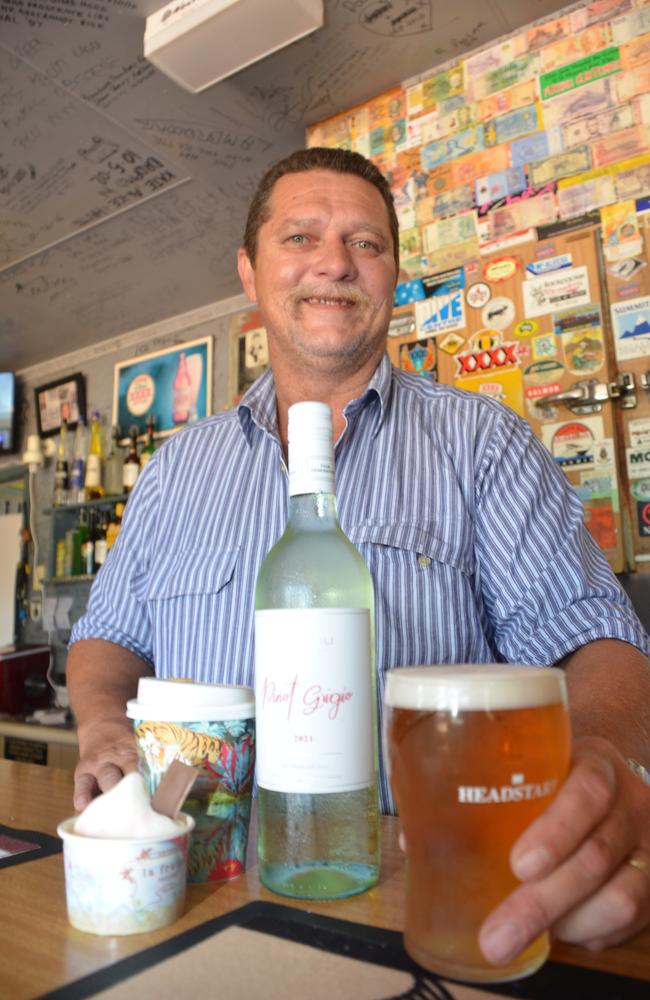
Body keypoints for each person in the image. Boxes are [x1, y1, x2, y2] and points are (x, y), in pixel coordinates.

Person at [67, 146, 650, 967]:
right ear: (248, 271)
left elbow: (599, 640)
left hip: (417, 895)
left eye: (366, 244)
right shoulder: (172, 470)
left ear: (394, 276)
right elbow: (108, 634)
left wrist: (597, 761)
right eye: (301, 237)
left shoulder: (483, 442)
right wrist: (100, 728)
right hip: (193, 887)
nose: (335, 262)